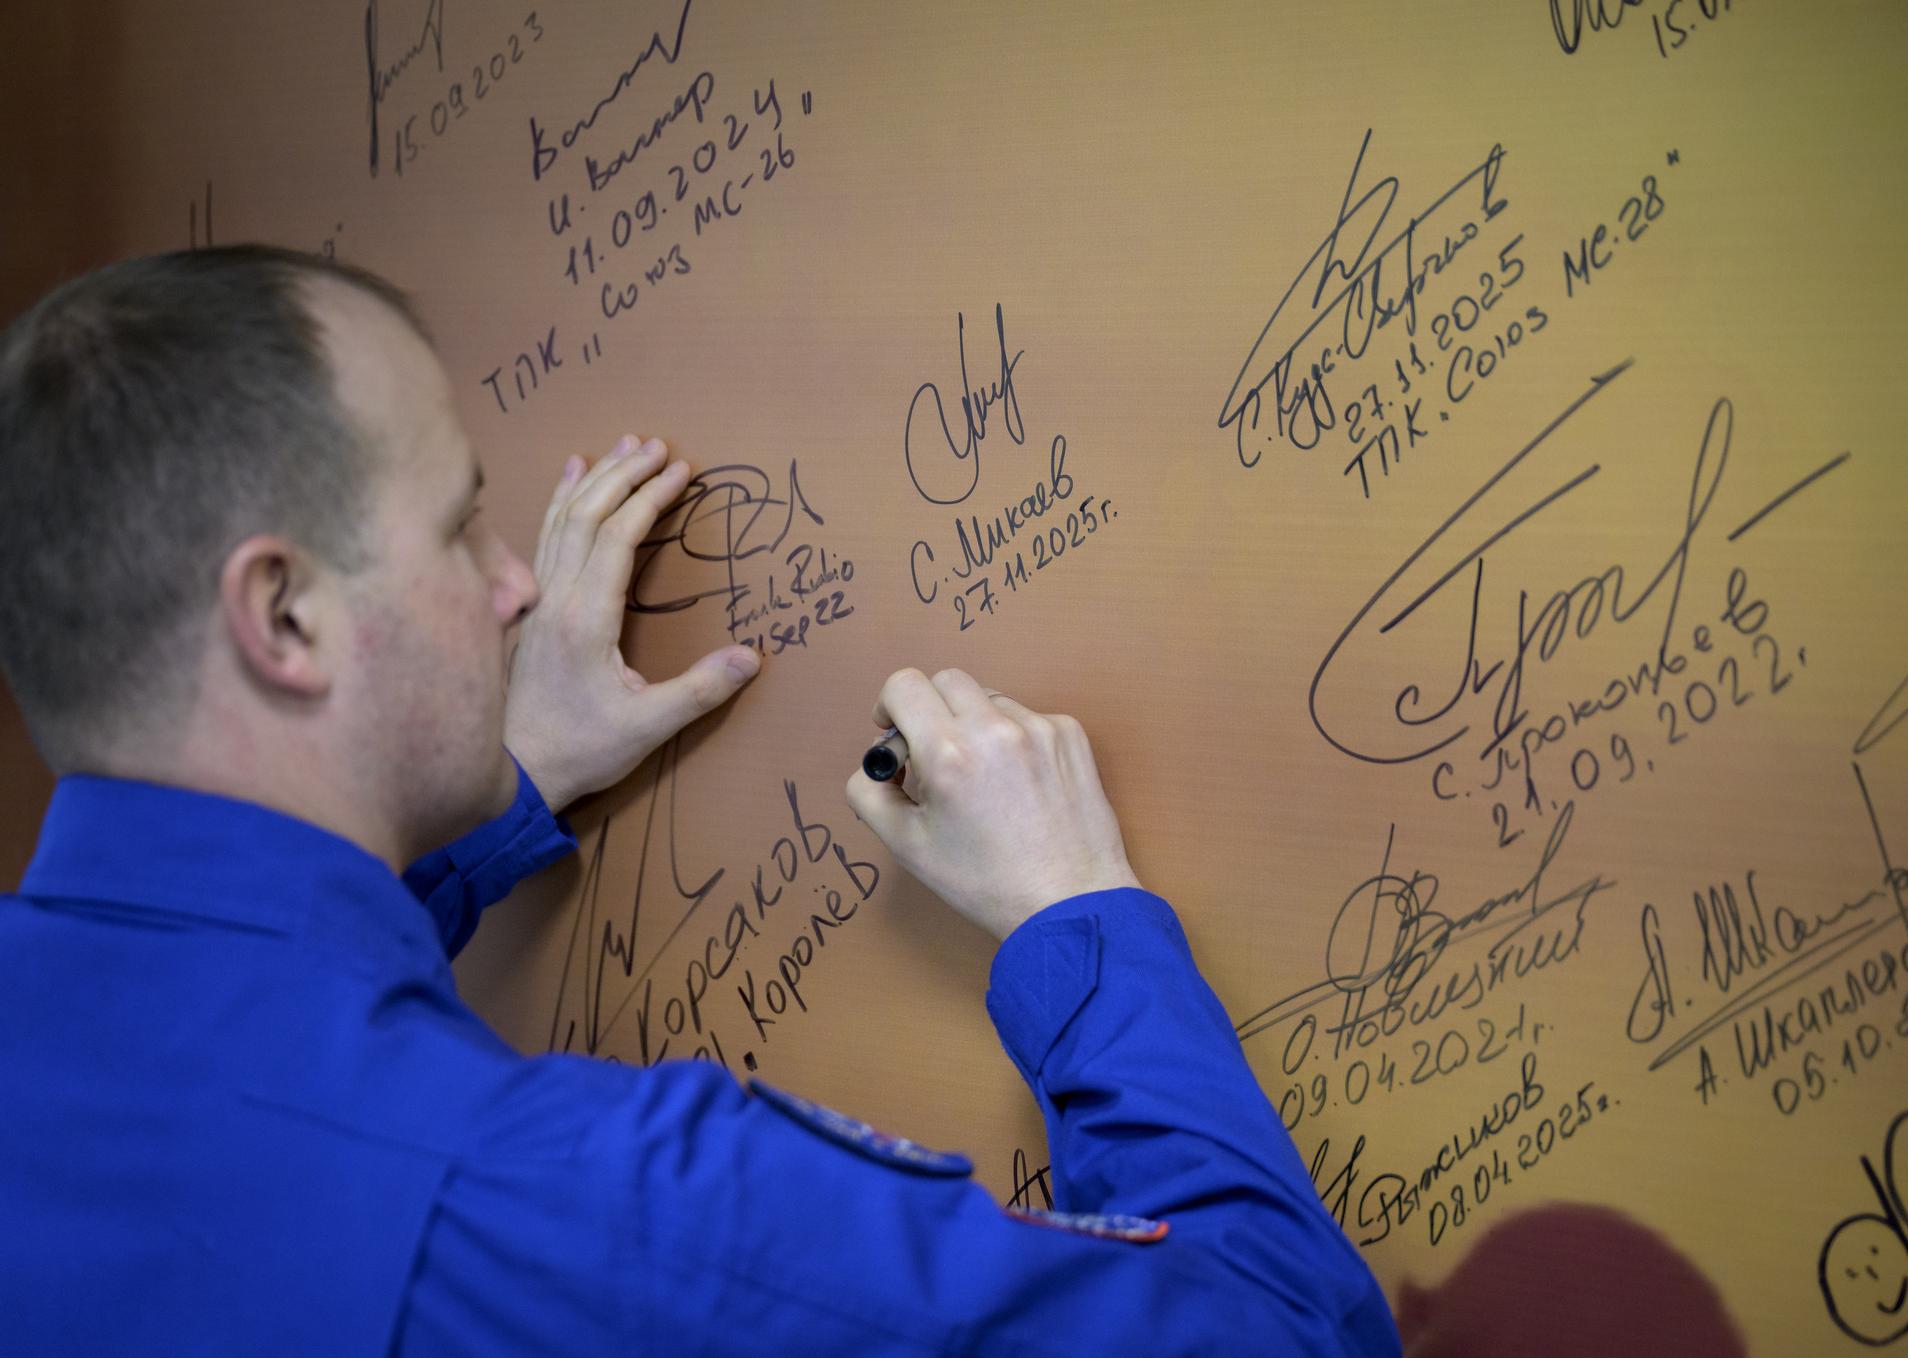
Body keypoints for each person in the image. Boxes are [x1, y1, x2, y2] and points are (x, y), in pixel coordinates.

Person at [0, 246, 1397, 1355]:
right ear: (287, 615)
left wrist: (489, 779)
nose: (516, 585)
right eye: (457, 526)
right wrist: (1078, 915)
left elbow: (229, 1040)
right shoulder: (610, 1210)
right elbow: (1286, 1335)